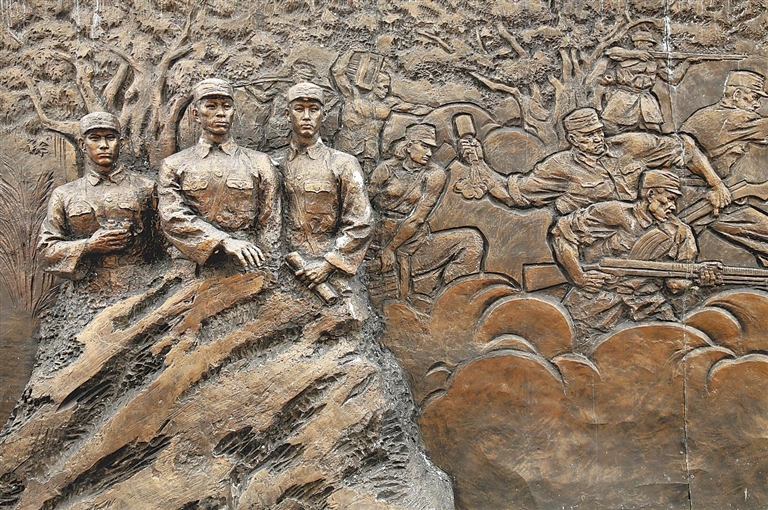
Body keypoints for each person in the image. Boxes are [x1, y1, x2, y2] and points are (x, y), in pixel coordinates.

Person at [550, 170, 712, 349]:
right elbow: (562, 232)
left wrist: (696, 278)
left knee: (672, 347)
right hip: (599, 299)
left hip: (648, 303)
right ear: (650, 194)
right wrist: (579, 277)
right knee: (566, 345)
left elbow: (675, 285)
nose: (673, 207)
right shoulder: (615, 213)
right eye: (669, 199)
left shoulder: (681, 232)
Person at [479, 107, 731, 218]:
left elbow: (686, 147)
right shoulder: (559, 167)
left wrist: (716, 184)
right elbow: (515, 195)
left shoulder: (630, 146)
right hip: (596, 243)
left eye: (599, 132)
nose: (597, 139)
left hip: (643, 229)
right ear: (573, 140)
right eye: (588, 136)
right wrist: (478, 165)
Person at [158, 78, 281, 272]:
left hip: (247, 266)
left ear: (234, 112)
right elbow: (172, 217)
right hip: (193, 268)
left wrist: (268, 268)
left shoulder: (260, 163)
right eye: (211, 106)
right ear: (196, 114)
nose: (221, 113)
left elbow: (271, 222)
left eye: (226, 106)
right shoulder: (174, 165)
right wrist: (223, 241)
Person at [368, 123, 484, 305]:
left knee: (471, 240)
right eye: (424, 146)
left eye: (432, 148)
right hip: (378, 238)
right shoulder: (385, 170)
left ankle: (451, 299)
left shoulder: (435, 175)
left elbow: (417, 218)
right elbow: (363, 206)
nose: (429, 153)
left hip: (413, 241)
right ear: (409, 146)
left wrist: (390, 249)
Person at [39, 112, 158, 281]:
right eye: (95, 138)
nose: (104, 145)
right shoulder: (64, 194)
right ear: (82, 144)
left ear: (121, 143)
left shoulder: (147, 188)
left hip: (144, 284)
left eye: (110, 138)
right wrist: (89, 246)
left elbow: (169, 243)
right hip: (88, 289)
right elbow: (45, 253)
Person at [281, 82, 373, 299]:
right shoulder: (273, 164)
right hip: (285, 270)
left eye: (313, 110)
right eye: (299, 109)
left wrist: (327, 265)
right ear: (287, 114)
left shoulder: (343, 164)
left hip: (329, 276)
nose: (306, 117)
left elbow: (361, 223)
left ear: (323, 115)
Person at [680, 70, 768, 265]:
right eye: (754, 97)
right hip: (697, 198)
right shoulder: (735, 118)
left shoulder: (706, 115)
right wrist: (717, 185)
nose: (757, 104)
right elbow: (689, 149)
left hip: (710, 198)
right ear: (736, 95)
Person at [332, 50, 431, 174]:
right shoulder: (352, 96)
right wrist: (350, 51)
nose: (386, 90)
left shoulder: (388, 104)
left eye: (388, 87)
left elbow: (415, 109)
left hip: (369, 153)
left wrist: (436, 112)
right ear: (373, 84)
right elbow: (337, 72)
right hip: (346, 147)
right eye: (383, 86)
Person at [598, 30, 699, 135]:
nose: (651, 46)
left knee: (654, 131)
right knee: (609, 126)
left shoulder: (655, 60)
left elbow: (672, 79)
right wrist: (636, 54)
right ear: (638, 43)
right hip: (624, 97)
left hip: (646, 99)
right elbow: (609, 52)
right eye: (648, 43)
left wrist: (687, 62)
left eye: (652, 44)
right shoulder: (624, 56)